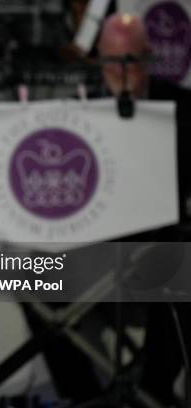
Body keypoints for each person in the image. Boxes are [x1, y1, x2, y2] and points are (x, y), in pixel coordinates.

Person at [98, 13, 191, 407]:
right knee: (5, 272)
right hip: (90, 244)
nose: (122, 72)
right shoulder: (76, 108)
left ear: (150, 58)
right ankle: (82, 391)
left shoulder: (181, 107)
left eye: (132, 60)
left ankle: (153, 387)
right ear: (100, 61)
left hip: (159, 241)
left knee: (183, 264)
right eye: (113, 62)